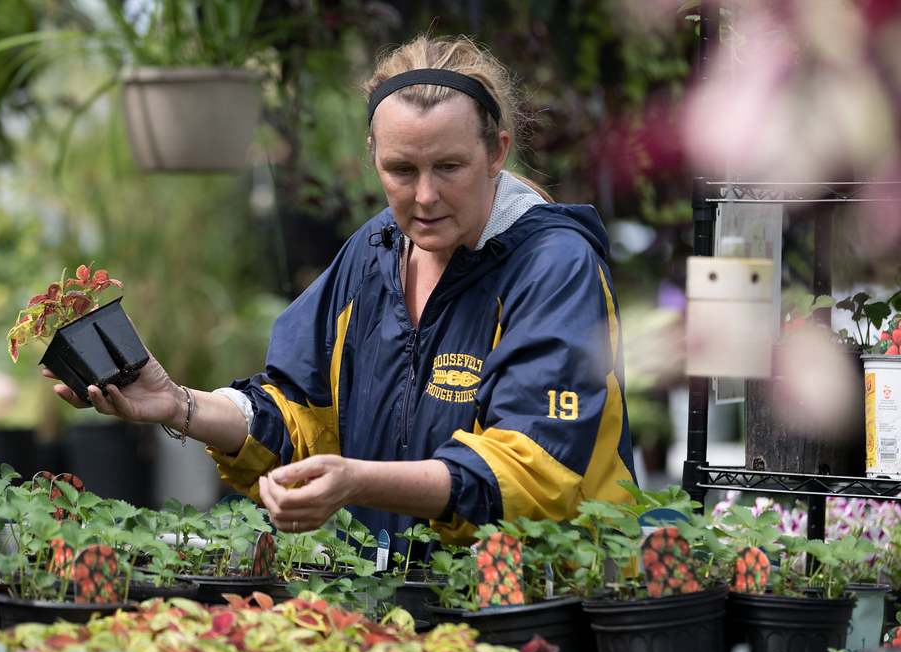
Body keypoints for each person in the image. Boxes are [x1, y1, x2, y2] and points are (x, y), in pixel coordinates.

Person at [48, 34, 637, 559]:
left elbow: (533, 475)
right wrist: (179, 405)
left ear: (498, 152)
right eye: (401, 169)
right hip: (404, 603)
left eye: (449, 166)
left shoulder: (553, 265)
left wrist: (359, 481)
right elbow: (299, 415)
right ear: (373, 155)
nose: (425, 196)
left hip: (548, 603)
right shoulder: (374, 252)